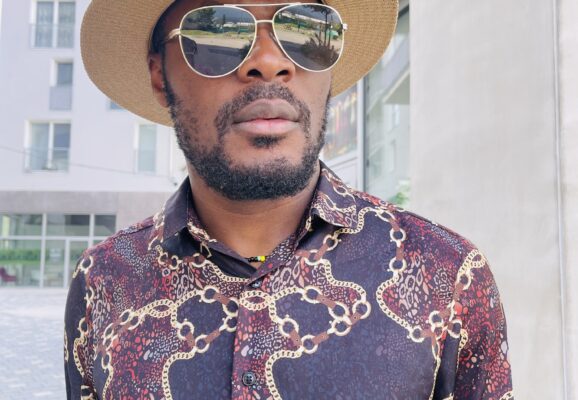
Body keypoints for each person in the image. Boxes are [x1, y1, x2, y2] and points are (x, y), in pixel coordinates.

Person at [64, 0, 514, 399]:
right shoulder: (103, 281)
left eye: (305, 28)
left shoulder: (447, 274)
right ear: (160, 76)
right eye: (219, 30)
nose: (268, 61)